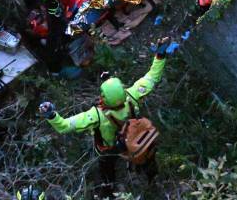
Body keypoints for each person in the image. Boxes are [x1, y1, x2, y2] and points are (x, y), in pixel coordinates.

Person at [38, 39, 177, 196]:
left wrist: (51, 115)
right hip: (134, 140)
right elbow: (152, 77)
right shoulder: (132, 96)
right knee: (146, 159)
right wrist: (160, 54)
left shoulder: (95, 115)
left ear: (104, 97)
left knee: (107, 172)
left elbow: (64, 126)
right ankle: (152, 178)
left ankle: (108, 192)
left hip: (110, 150)